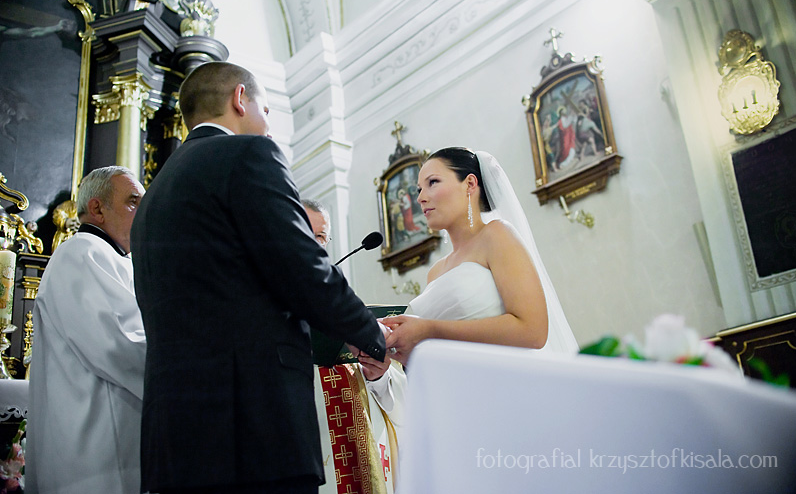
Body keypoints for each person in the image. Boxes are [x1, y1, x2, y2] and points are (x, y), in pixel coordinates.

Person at [131, 61, 386, 494]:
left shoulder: (151, 198)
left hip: (175, 436)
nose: (268, 127)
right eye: (266, 110)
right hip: (252, 426)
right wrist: (372, 333)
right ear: (239, 98)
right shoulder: (249, 154)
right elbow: (301, 266)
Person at [380, 147, 578, 365]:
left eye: (433, 182)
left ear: (470, 184)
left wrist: (429, 329)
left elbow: (533, 331)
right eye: (418, 189)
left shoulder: (496, 235)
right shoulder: (435, 272)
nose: (420, 198)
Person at [27, 166, 147, 494]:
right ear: (96, 208)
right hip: (94, 452)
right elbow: (122, 346)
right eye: (133, 202)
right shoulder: (83, 253)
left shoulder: (112, 258)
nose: (143, 213)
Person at [302, 199, 405, 494]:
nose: (314, 243)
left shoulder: (346, 304)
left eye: (321, 236)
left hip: (352, 431)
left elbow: (392, 395)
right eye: (305, 232)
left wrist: (378, 374)